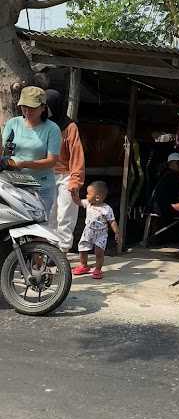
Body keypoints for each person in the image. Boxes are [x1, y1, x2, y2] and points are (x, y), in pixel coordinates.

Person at [1, 86, 61, 216]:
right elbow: (4, 150)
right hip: (13, 185)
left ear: (43, 107)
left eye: (32, 107)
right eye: (24, 106)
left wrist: (24, 164)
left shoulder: (52, 129)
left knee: (36, 228)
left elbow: (52, 161)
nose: (27, 111)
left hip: (41, 187)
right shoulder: (13, 123)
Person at [45, 89, 85, 253]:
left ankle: (62, 252)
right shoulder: (41, 125)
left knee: (65, 215)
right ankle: (48, 251)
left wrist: (75, 181)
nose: (44, 110)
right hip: (46, 175)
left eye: (47, 106)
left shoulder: (69, 127)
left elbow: (77, 155)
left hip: (66, 175)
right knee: (49, 216)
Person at [73, 181, 119, 280]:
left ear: (97, 197)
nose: (86, 195)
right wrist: (74, 193)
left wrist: (117, 232)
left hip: (101, 235)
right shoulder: (88, 203)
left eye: (88, 193)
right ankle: (84, 266)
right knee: (82, 249)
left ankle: (98, 269)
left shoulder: (106, 209)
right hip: (88, 232)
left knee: (99, 253)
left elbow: (112, 221)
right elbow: (77, 201)